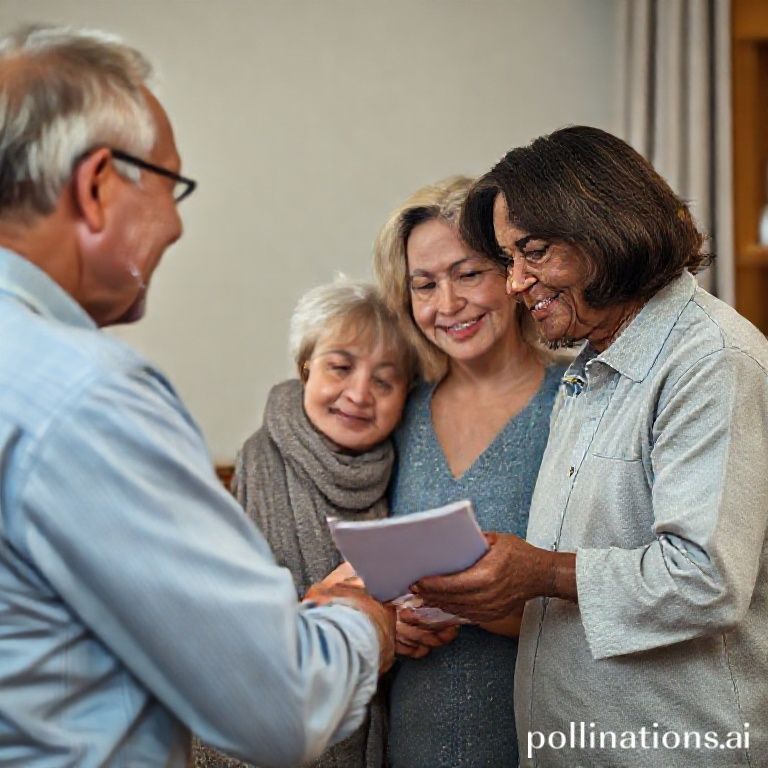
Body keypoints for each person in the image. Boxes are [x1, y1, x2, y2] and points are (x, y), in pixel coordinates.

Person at [0, 25, 395, 768]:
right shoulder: (90, 396)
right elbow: (282, 704)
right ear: (96, 187)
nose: (177, 223)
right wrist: (362, 617)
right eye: (170, 184)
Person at [412, 126, 768, 767]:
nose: (516, 283)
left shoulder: (711, 360)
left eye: (534, 252)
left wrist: (541, 572)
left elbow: (705, 579)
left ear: (605, 230)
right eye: (508, 259)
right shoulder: (589, 363)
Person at [373, 176, 565, 767]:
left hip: (545, 734)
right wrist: (384, 625)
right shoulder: (397, 411)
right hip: (414, 735)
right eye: (424, 285)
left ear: (511, 275)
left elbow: (621, 585)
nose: (447, 305)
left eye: (468, 274)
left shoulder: (577, 400)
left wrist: (503, 608)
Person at [194, 278, 417, 768]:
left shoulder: (406, 466)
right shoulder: (261, 459)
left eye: (384, 380)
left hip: (369, 720)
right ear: (305, 369)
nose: (359, 394)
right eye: (340, 367)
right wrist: (346, 612)